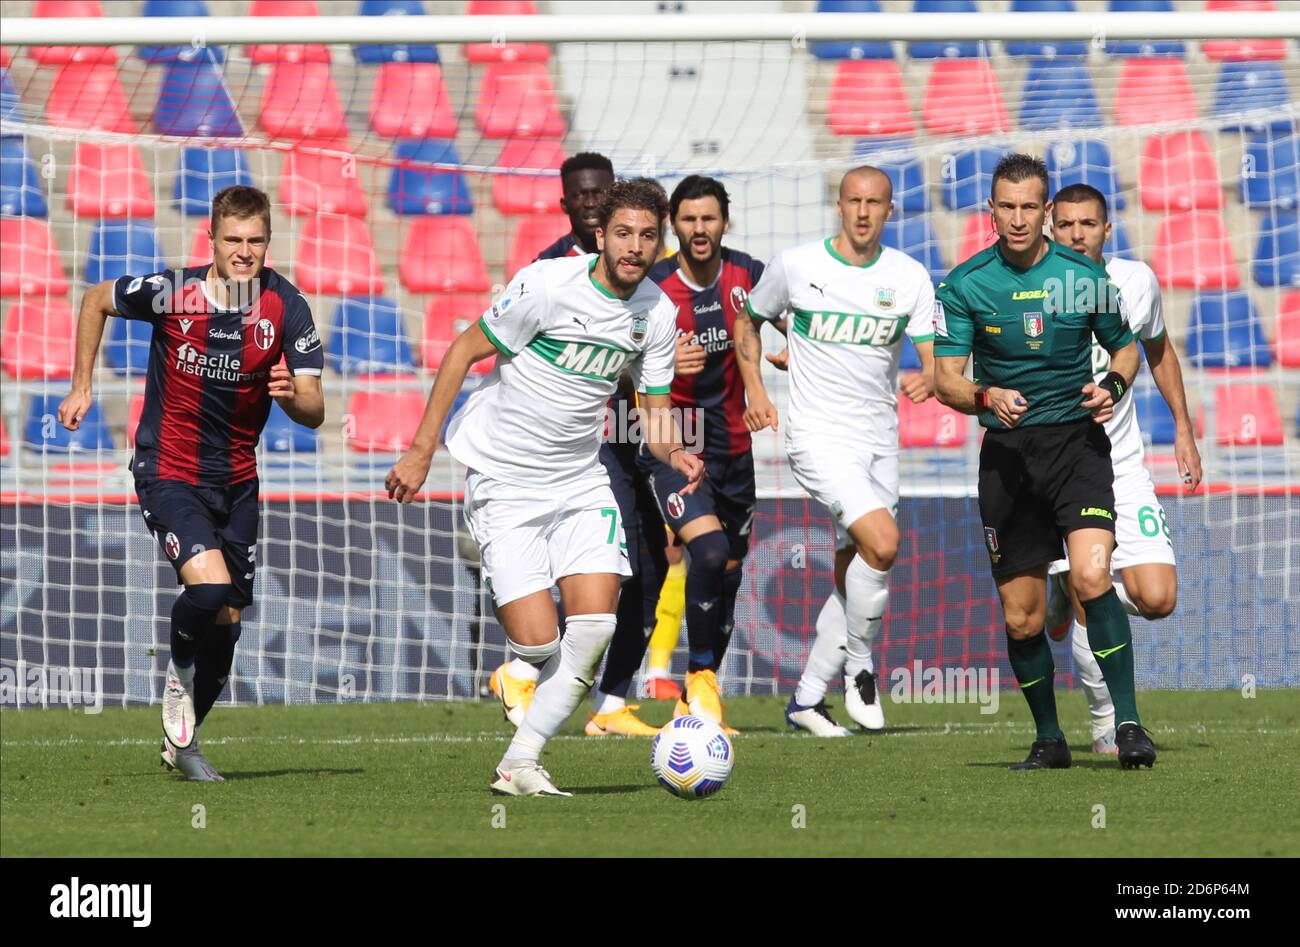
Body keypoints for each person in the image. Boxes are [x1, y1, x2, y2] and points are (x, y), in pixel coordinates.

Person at [385, 180, 704, 796]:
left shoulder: (656, 315)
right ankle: (520, 668)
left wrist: (675, 451)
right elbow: (460, 353)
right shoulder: (547, 286)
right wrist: (421, 451)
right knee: (540, 640)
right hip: (505, 479)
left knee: (594, 630)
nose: (635, 247)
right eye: (623, 233)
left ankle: (520, 763)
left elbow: (655, 413)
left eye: (647, 235)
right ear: (600, 235)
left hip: (580, 480)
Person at [58, 185, 325, 781]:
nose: (244, 251)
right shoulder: (172, 293)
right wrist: (82, 385)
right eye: (233, 239)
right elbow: (95, 298)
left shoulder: (288, 305)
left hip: (238, 481)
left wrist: (292, 399)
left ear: (268, 243)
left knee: (228, 621)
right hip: (169, 469)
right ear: (212, 238)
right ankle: (176, 678)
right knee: (206, 592)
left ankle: (183, 743)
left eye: (256, 241)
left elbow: (315, 409)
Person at [933, 154, 1155, 770]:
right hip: (1007, 458)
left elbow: (1126, 348)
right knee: (1024, 618)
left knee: (1090, 577)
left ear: (1048, 213)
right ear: (992, 211)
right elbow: (944, 379)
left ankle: (1130, 725)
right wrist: (984, 395)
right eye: (1008, 206)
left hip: (1075, 447)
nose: (1019, 218)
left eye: (1031, 207)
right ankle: (1050, 739)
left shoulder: (1084, 277)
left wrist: (1112, 385)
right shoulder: (964, 284)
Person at [744, 166, 937, 736]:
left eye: (874, 202)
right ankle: (859, 668)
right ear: (838, 204)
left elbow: (934, 357)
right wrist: (756, 388)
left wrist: (931, 376)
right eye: (853, 200)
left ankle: (805, 701)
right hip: (815, 436)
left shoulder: (908, 276)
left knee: (855, 569)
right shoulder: (797, 265)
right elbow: (748, 319)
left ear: (890, 210)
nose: (862, 212)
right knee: (884, 542)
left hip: (878, 441)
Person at [588, 174, 770, 735]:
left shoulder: (748, 276)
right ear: (674, 226)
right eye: (687, 219)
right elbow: (616, 361)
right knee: (704, 553)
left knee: (727, 571)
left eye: (708, 218)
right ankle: (696, 682)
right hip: (671, 441)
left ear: (724, 222)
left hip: (734, 446)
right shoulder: (654, 285)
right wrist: (655, 369)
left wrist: (777, 365)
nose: (698, 229)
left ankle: (629, 702)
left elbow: (770, 326)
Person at [1046, 183, 1202, 754]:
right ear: (1049, 227)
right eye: (1066, 224)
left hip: (1124, 466)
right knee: (1095, 587)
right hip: (1059, 471)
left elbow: (1157, 350)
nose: (1077, 234)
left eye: (1088, 224)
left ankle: (1071, 588)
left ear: (1107, 230)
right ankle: (1106, 724)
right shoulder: (1030, 289)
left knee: (1158, 598)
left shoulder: (1135, 282)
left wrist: (1183, 429)